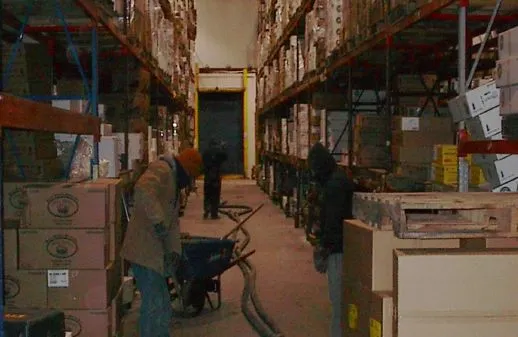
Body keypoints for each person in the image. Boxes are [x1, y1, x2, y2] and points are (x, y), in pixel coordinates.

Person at [120, 148, 203, 337]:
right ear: (186, 166)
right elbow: (143, 189)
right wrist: (158, 222)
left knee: (161, 304)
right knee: (156, 304)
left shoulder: (174, 181)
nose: (189, 181)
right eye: (191, 175)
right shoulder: (162, 169)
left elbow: (172, 224)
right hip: (144, 249)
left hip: (154, 252)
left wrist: (175, 252)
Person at [307, 142, 354, 337]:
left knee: (338, 299)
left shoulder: (335, 185)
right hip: (340, 247)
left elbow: (334, 222)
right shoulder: (335, 180)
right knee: (339, 298)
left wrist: (323, 248)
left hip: (339, 250)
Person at [202, 140, 228, 219]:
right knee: (215, 195)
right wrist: (223, 148)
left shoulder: (206, 152)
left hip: (207, 177)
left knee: (207, 194)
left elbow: (202, 161)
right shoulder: (219, 151)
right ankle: (214, 213)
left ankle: (206, 210)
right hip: (216, 176)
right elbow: (225, 157)